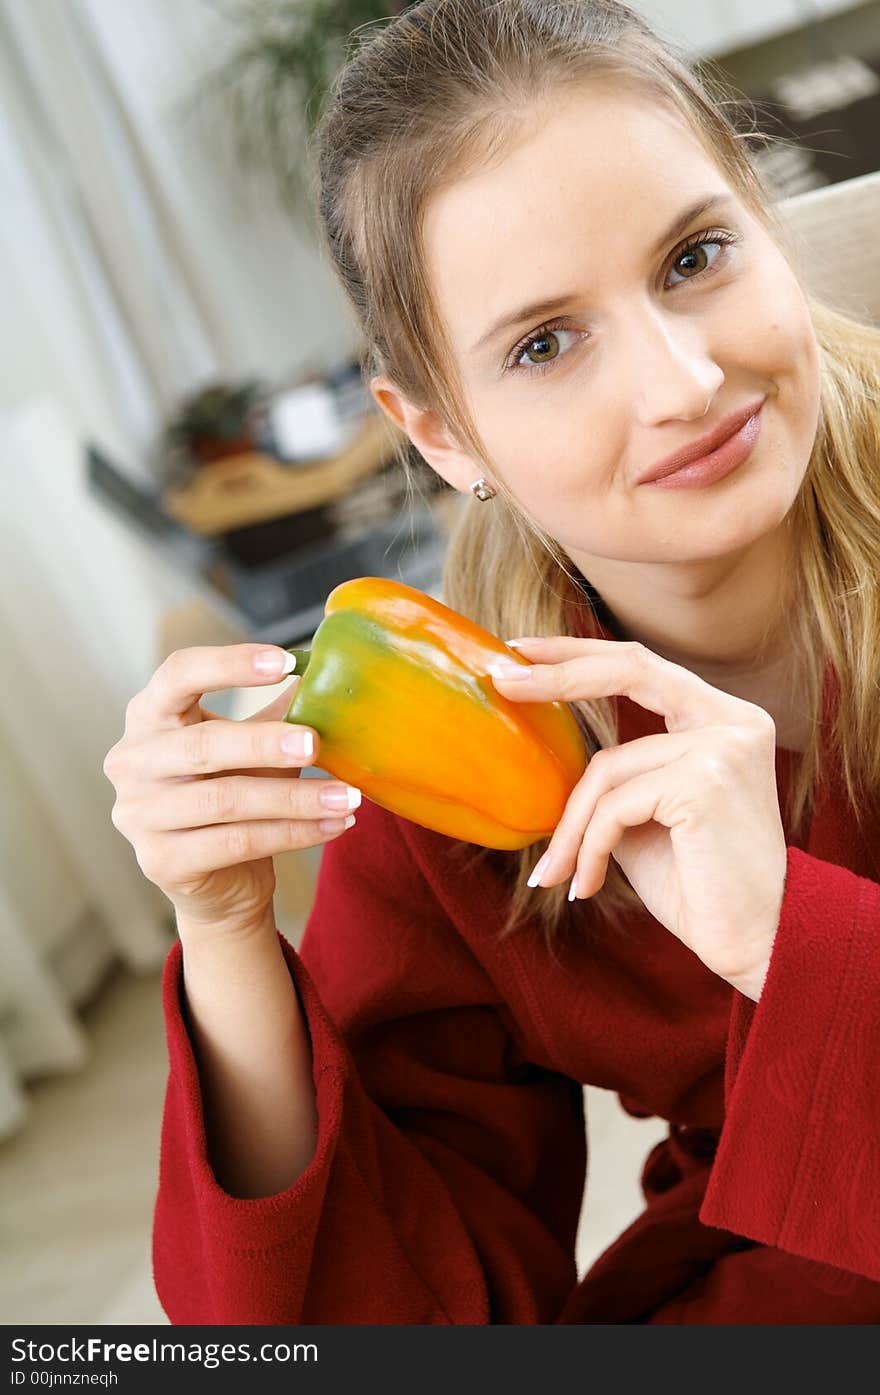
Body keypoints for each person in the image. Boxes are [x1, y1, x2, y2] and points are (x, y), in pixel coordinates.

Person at [103, 0, 880, 1324]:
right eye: (542, 343)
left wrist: (783, 943)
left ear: (764, 220)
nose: (680, 381)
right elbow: (377, 1317)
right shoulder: (451, 745)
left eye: (694, 256)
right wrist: (227, 930)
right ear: (439, 432)